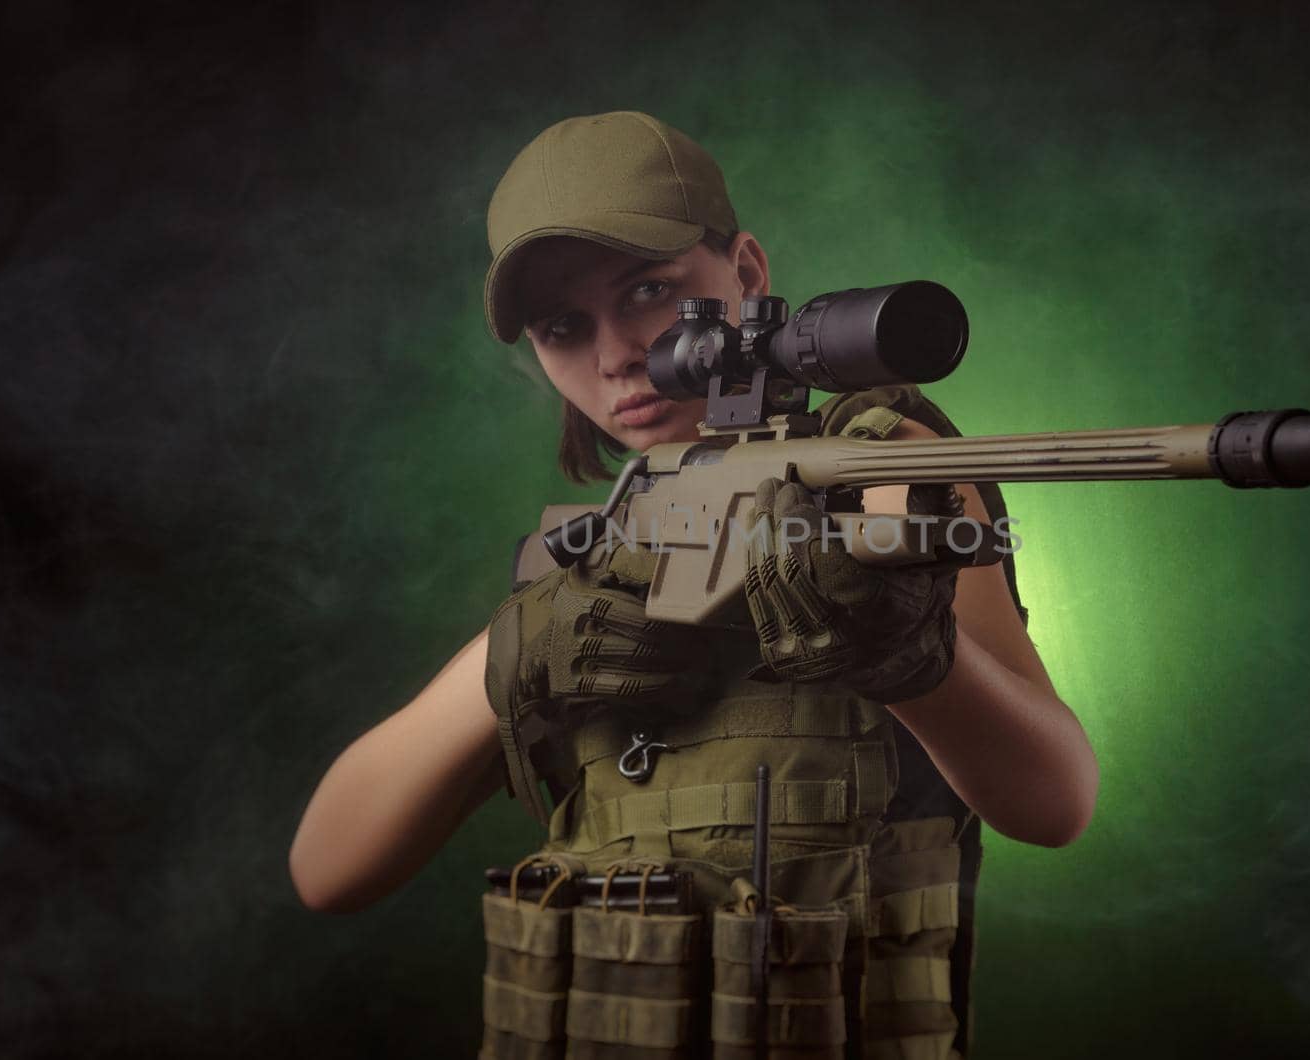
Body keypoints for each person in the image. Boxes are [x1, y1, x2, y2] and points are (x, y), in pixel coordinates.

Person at [290, 111, 1099, 1058]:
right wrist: (527, 655)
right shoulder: (585, 564)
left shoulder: (882, 463)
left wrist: (910, 661)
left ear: (746, 274)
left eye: (649, 290)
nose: (616, 355)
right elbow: (327, 867)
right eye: (563, 327)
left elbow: (1056, 800)